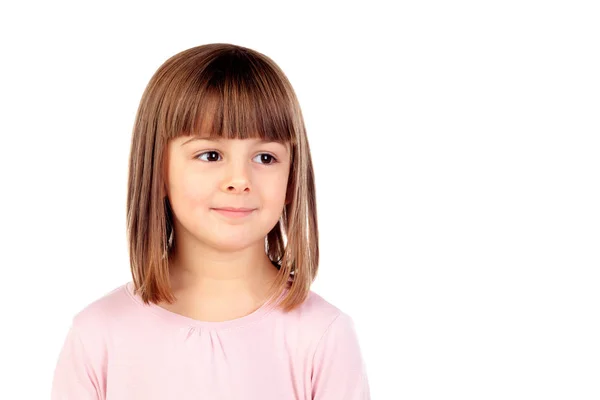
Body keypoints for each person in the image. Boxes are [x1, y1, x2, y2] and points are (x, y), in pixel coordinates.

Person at [50, 43, 371, 399]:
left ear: (292, 177)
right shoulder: (98, 336)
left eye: (265, 157)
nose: (239, 179)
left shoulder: (324, 336)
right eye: (211, 154)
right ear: (157, 169)